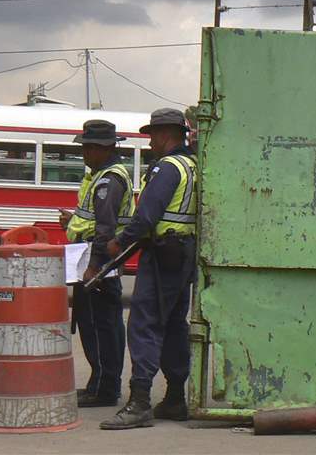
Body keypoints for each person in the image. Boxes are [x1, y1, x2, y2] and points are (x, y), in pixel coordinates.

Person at [100, 108, 197, 430]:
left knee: (144, 324)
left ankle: (140, 401)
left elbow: (146, 216)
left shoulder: (168, 167)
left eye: (152, 135)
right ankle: (175, 398)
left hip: (162, 256)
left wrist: (119, 242)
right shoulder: (193, 165)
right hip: (183, 255)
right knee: (173, 326)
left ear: (165, 134)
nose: (150, 142)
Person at [58, 120, 135, 408]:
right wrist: (72, 222)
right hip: (94, 261)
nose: (84, 154)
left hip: (98, 264)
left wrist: (95, 268)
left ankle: (105, 389)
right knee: (95, 325)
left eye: (88, 148)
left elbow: (104, 228)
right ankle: (98, 383)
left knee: (101, 327)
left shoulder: (108, 180)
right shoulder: (101, 176)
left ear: (103, 148)